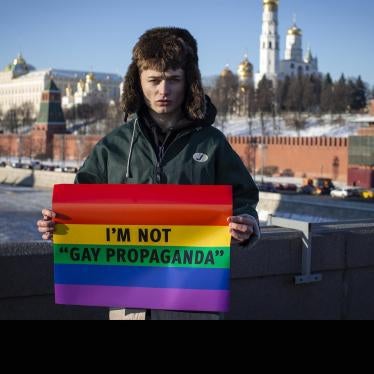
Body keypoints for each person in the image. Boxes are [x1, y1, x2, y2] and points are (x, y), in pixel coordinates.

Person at [37, 27, 260, 320]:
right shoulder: (113, 146)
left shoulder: (211, 142)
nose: (163, 91)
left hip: (192, 302)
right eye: (153, 80)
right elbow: (80, 207)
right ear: (137, 82)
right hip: (129, 305)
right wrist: (57, 225)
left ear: (189, 82)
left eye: (173, 80)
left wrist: (246, 226)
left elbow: (244, 199)